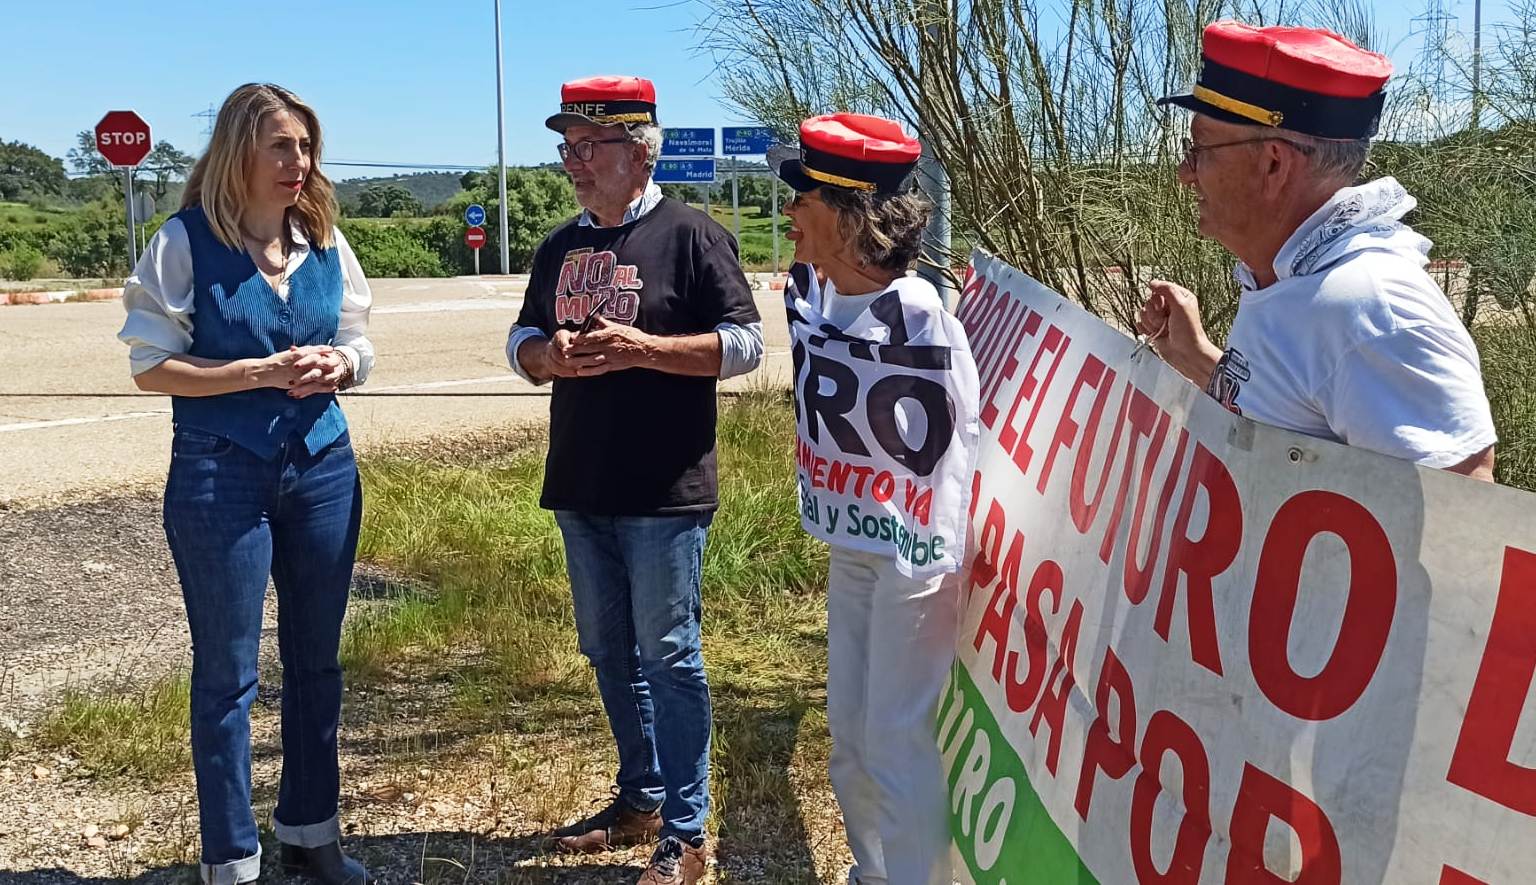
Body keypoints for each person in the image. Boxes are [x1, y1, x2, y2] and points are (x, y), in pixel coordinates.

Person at [504, 75, 763, 885]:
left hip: (665, 489)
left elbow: (747, 346)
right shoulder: (558, 247)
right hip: (580, 483)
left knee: (670, 654)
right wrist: (546, 357)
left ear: (639, 149)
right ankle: (641, 796)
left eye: (590, 146)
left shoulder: (692, 235)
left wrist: (647, 349)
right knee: (607, 649)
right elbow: (521, 337)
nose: (574, 164)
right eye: (568, 149)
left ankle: (686, 832)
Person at [117, 83, 373, 885]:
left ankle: (311, 829)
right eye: (281, 146)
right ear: (240, 153)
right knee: (228, 675)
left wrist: (342, 364)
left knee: (317, 661)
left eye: (305, 147)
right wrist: (255, 371)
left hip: (323, 467)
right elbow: (150, 367)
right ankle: (231, 858)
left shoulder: (326, 242)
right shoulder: (185, 242)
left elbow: (362, 342)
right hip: (218, 474)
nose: (298, 162)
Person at [1141, 21, 1497, 480]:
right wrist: (1195, 358)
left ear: (1274, 164)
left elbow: (1463, 517)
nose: (1185, 173)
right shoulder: (1295, 276)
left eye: (1201, 149)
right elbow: (1292, 420)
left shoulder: (1369, 307)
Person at [773, 112, 979, 885]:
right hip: (855, 546)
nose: (788, 210)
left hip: (912, 557)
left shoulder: (924, 318)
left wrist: (931, 560)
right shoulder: (823, 296)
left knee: (896, 740)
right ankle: (873, 870)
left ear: (852, 212)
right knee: (851, 740)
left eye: (803, 195)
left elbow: (951, 456)